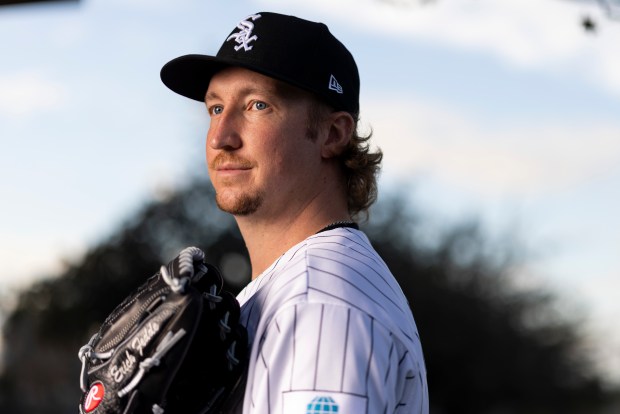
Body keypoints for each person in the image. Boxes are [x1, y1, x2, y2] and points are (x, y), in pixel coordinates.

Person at [160, 11, 429, 414]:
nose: (220, 137)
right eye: (215, 108)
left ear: (332, 133)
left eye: (257, 105)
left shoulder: (320, 304)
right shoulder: (295, 287)